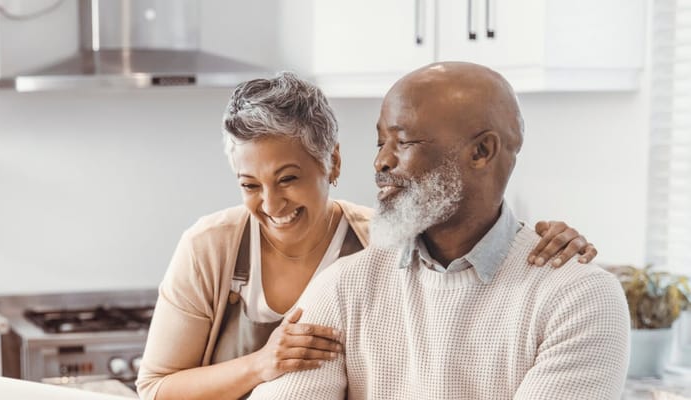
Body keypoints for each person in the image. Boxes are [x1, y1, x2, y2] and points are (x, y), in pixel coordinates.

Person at [136, 72, 599, 400]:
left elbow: (472, 245)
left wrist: (535, 242)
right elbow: (156, 388)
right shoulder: (213, 247)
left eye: (289, 178)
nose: (271, 204)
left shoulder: (378, 247)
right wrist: (260, 365)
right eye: (250, 185)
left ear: (332, 164)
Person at [248, 62, 630, 399]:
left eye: (403, 141)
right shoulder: (342, 288)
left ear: (481, 152)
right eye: (381, 142)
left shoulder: (579, 298)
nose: (381, 161)